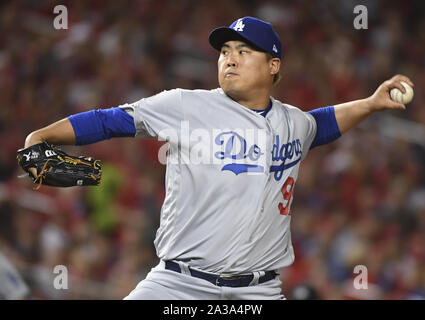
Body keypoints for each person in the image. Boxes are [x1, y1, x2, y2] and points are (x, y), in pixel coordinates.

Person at [21, 17, 413, 300]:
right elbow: (109, 122)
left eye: (244, 51)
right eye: (225, 51)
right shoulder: (184, 105)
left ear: (273, 66)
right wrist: (44, 135)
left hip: (259, 291)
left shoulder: (293, 123)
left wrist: (370, 104)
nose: (230, 58)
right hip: (179, 285)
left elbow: (320, 125)